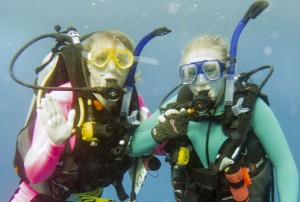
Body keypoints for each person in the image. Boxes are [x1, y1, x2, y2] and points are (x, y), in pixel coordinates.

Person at [130, 35, 299, 201]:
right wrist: (161, 132)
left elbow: (284, 164)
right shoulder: (178, 106)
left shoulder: (249, 107)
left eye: (210, 70)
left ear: (227, 71)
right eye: (191, 73)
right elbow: (132, 147)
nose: (201, 81)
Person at [10, 30, 151, 202]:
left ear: (129, 67)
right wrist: (55, 143)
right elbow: (34, 175)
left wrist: (163, 126)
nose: (112, 67)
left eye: (121, 60)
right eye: (101, 59)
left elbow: (158, 148)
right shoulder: (61, 99)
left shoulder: (132, 103)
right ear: (88, 64)